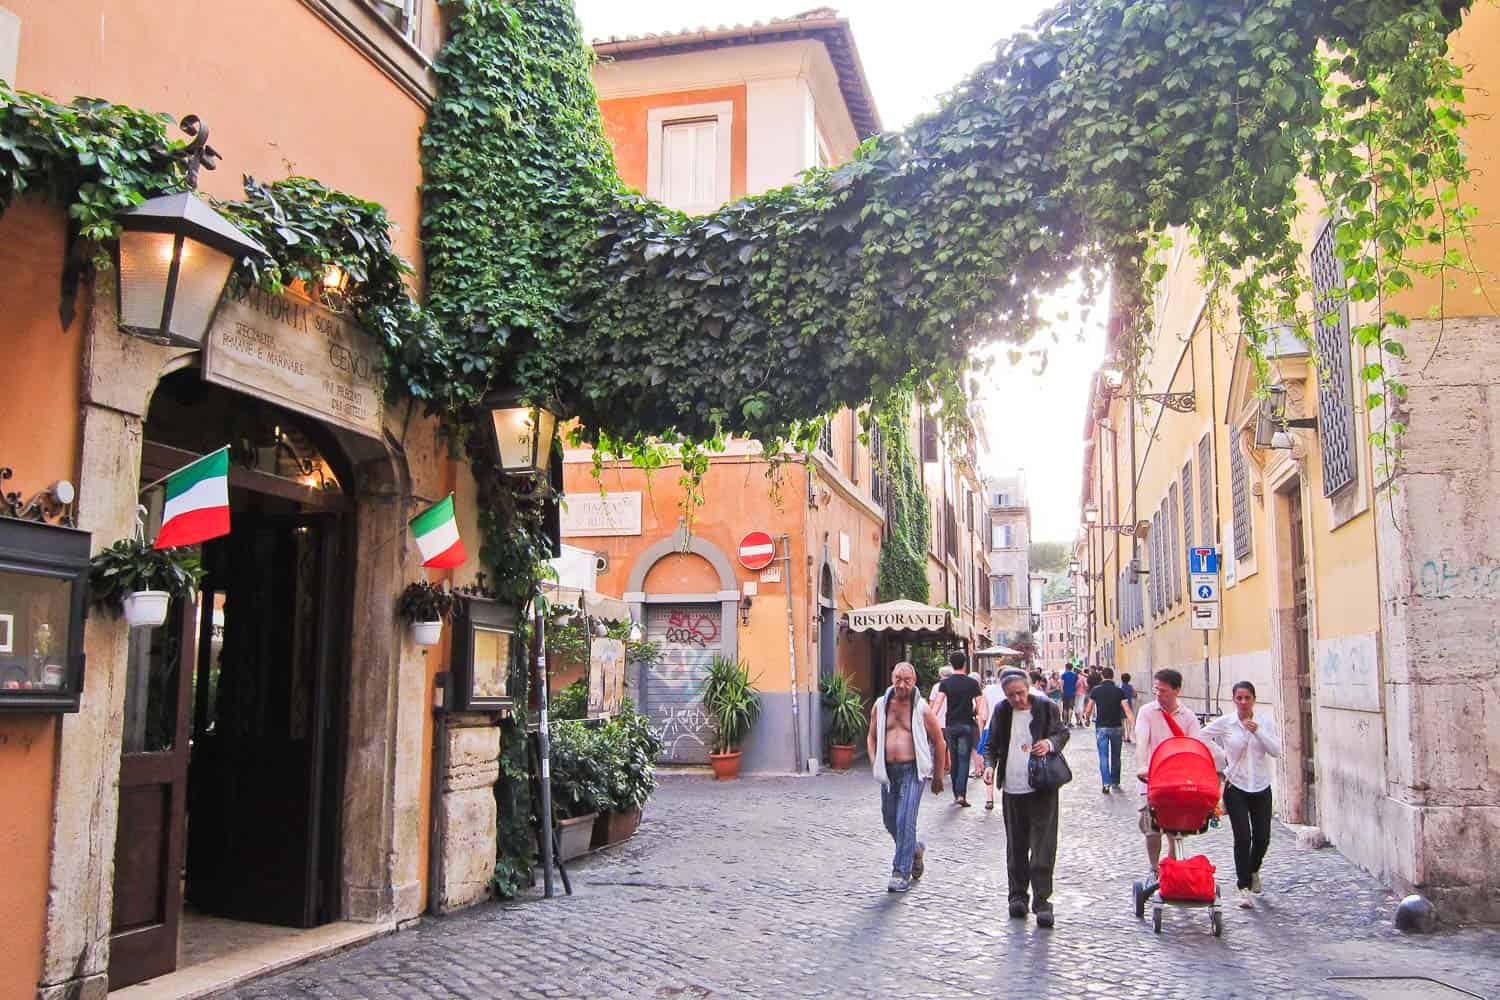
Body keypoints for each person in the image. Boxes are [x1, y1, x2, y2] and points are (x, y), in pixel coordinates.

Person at [983, 668, 1069, 927]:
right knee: (1016, 846)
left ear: (1029, 687)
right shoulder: (1001, 710)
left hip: (1042, 787)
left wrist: (1050, 744)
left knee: (1043, 846)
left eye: (1020, 693)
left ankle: (1043, 902)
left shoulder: (1046, 707)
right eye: (1011, 695)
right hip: (1013, 788)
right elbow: (992, 744)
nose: (1017, 699)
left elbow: (1062, 733)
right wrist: (989, 765)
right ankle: (1017, 897)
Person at [867, 662, 948, 893]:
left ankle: (900, 872)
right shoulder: (881, 705)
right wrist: (875, 761)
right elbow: (872, 737)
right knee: (889, 820)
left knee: (905, 820)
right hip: (888, 773)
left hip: (913, 771)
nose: (902, 685)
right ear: (892, 678)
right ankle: (915, 850)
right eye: (898, 679)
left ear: (914, 681)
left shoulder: (921, 707)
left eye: (907, 680)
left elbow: (939, 741)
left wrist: (939, 775)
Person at [1203, 681, 1282, 909]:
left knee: (1262, 838)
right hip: (1235, 787)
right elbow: (1201, 736)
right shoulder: (1227, 723)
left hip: (1260, 786)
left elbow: (1276, 751)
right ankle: (1243, 887)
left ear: (1254, 699)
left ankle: (1254, 869)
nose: (1244, 702)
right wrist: (1221, 757)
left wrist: (1258, 732)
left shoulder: (1265, 722)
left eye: (1247, 698)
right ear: (1234, 700)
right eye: (1239, 698)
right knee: (1242, 837)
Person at [1133, 668, 1205, 874]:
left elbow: (1195, 746)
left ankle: (1172, 868)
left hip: (1178, 780)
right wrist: (1141, 765)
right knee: (1151, 830)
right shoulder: (1147, 712)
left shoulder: (1188, 716)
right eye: (1156, 690)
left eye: (1163, 691)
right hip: (1150, 779)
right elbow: (1141, 740)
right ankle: (1154, 868)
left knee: (1175, 831)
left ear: (1176, 691)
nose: (1159, 695)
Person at [930, 651, 985, 807]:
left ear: (951, 664)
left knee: (954, 759)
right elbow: (980, 704)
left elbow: (937, 704)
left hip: (951, 726)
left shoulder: (945, 684)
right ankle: (961, 794)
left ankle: (956, 793)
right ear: (965, 663)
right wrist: (977, 714)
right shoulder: (972, 683)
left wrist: (930, 720)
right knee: (964, 760)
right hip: (967, 724)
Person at [1082, 667, 1133, 794]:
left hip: (1101, 727)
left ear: (1102, 676)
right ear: (1112, 676)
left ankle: (1106, 783)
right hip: (1116, 726)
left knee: (1103, 756)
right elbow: (1127, 710)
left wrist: (1087, 719)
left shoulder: (1096, 690)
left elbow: (1089, 708)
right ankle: (1115, 781)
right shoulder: (1119, 691)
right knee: (1116, 756)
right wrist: (1134, 724)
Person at [980, 671, 1008, 810]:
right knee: (1006, 762)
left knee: (989, 764)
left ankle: (989, 798)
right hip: (1006, 731)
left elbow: (983, 714)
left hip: (989, 728)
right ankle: (1006, 794)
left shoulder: (987, 691)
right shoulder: (1009, 691)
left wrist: (980, 732)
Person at [1119, 672, 1137, 743]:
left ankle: (1123, 736)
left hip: (1120, 706)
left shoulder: (1120, 687)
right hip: (1129, 705)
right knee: (1128, 722)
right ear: (1129, 679)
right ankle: (1128, 736)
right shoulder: (1131, 687)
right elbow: (1135, 694)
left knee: (1122, 722)